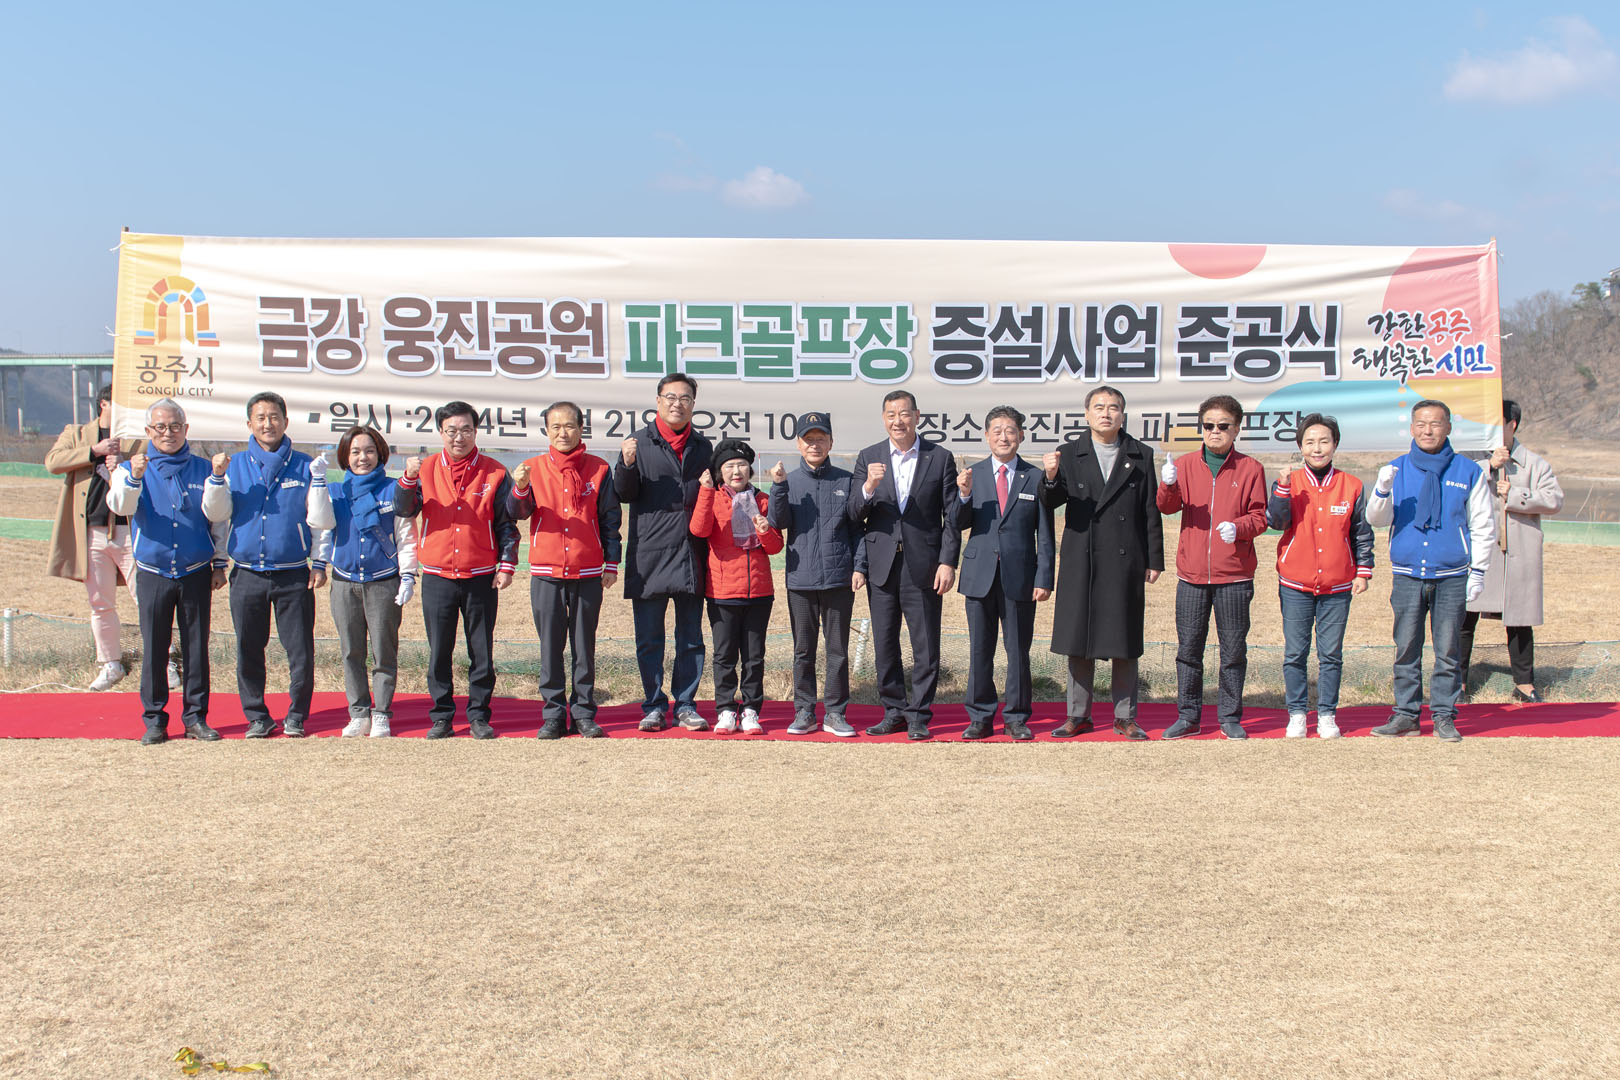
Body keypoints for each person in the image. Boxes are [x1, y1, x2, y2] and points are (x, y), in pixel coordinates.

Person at [1367, 399, 1495, 742]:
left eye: (1436, 424)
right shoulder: (1396, 469)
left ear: (1448, 427)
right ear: (1411, 428)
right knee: (1406, 647)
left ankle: (1444, 716)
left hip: (1451, 575)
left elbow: (1483, 525)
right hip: (1407, 574)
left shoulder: (1468, 471)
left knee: (1448, 650)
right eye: (1421, 424)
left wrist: (1479, 571)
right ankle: (1406, 715)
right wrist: (1382, 489)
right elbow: (1377, 519)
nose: (1428, 430)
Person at [1041, 385, 1164, 741]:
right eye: (1099, 407)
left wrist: (1154, 558)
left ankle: (1125, 717)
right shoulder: (1068, 453)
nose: (1106, 413)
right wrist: (1050, 477)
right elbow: (1050, 501)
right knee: (1078, 637)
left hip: (1125, 558)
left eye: (1113, 407)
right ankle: (1077, 715)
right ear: (1087, 414)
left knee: (1124, 639)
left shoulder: (1140, 454)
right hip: (1082, 556)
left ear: (1123, 414)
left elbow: (1149, 510)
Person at [202, 392, 327, 739]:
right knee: (248, 649)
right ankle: (257, 716)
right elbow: (217, 516)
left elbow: (319, 520)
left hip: (294, 575)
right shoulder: (234, 466)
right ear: (249, 424)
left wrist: (319, 562)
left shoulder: (305, 466)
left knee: (300, 650)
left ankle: (297, 715)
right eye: (260, 418)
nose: (267, 424)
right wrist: (219, 562)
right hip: (246, 574)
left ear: (286, 422)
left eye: (274, 417)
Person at [105, 399, 228, 744]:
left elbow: (219, 519)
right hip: (153, 571)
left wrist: (220, 563)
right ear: (148, 431)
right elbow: (120, 505)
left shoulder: (205, 469)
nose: (168, 433)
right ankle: (155, 719)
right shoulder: (130, 469)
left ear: (185, 429)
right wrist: (134, 477)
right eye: (160, 427)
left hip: (195, 570)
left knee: (196, 647)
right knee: (155, 648)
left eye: (175, 426)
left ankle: (196, 717)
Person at [395, 401, 519, 739]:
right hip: (437, 575)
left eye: (466, 430)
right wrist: (407, 479)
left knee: (481, 650)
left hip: (481, 576)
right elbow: (403, 509)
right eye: (451, 431)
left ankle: (479, 715)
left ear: (476, 431)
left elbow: (507, 524)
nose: (459, 437)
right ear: (441, 432)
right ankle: (442, 715)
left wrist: (506, 565)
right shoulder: (425, 469)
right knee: (439, 651)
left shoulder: (494, 472)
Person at [506, 401, 622, 739]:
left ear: (581, 428)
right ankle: (553, 714)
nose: (562, 433)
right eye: (555, 427)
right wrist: (520, 487)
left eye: (569, 425)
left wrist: (611, 563)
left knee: (584, 646)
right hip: (546, 571)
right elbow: (517, 512)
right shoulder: (532, 468)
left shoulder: (599, 469)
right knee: (550, 646)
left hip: (587, 571)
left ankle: (584, 712)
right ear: (546, 430)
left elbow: (610, 518)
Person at [1156, 394, 1268, 740]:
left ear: (1236, 429)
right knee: (1189, 650)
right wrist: (1168, 484)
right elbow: (1167, 507)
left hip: (1234, 575)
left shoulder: (1251, 469)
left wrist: (1239, 527)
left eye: (1223, 426)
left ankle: (1230, 716)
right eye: (1208, 425)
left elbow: (1260, 517)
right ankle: (1188, 716)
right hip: (1191, 575)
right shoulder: (1186, 464)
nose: (1215, 431)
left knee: (1233, 650)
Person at [851, 391, 960, 741]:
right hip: (881, 564)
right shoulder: (869, 457)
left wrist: (947, 561)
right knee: (885, 642)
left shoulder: (939, 457)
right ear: (883, 418)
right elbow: (854, 512)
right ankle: (894, 711)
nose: (898, 421)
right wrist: (869, 486)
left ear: (916, 416)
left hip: (924, 564)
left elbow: (952, 517)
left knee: (925, 644)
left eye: (904, 413)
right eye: (891, 414)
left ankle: (919, 714)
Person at [615, 374, 714, 732]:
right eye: (670, 397)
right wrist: (627, 464)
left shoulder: (703, 447)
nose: (677, 404)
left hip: (691, 553)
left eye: (685, 398)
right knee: (649, 639)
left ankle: (686, 704)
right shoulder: (638, 443)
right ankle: (654, 706)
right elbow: (624, 494)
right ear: (657, 401)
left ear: (693, 405)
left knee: (691, 639)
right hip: (650, 554)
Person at [1266, 413, 1374, 739]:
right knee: (1295, 653)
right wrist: (1282, 489)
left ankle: (1327, 714)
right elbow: (1276, 522)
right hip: (1295, 583)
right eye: (1310, 442)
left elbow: (1361, 533)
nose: (1317, 448)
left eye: (1324, 441)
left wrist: (1363, 571)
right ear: (1300, 447)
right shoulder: (1290, 481)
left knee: (1331, 655)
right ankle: (1297, 714)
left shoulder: (1352, 485)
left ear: (1335, 445)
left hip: (1337, 585)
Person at [306, 425, 417, 738]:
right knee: (351, 651)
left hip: (383, 581)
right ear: (345, 456)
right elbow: (321, 524)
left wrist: (408, 575)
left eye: (369, 451)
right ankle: (358, 713)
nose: (362, 457)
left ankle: (381, 713)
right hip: (344, 581)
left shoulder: (393, 489)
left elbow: (405, 534)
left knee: (384, 651)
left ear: (380, 454)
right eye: (355, 452)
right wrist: (317, 482)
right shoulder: (335, 490)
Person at [951, 406, 1053, 741]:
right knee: (980, 650)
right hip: (979, 575)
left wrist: (1044, 578)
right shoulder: (973, 474)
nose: (1003, 437)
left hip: (1020, 577)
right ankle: (980, 717)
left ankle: (1017, 717)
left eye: (1010, 430)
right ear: (986, 436)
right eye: (997, 430)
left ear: (1021, 435)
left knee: (1018, 651)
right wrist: (964, 494)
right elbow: (957, 523)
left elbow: (1045, 533)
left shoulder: (1034, 477)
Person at [766, 411, 864, 737]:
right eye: (808, 439)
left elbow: (857, 530)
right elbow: (778, 522)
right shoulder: (789, 481)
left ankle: (835, 712)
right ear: (799, 444)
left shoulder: (846, 481)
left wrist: (859, 566)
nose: (815, 444)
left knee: (837, 651)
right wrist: (778, 487)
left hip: (839, 579)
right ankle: (805, 711)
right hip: (801, 579)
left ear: (831, 442)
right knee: (803, 651)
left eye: (821, 438)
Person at [1462, 400, 1563, 702]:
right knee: (1464, 617)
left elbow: (1554, 500)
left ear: (1512, 425)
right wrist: (1489, 466)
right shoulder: (1471, 459)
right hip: (1479, 552)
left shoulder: (1534, 463)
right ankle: (1458, 682)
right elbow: (1457, 487)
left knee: (1520, 619)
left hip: (1518, 551)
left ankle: (1524, 683)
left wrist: (1517, 494)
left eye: (1498, 423)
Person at [45, 384, 144, 691]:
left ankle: (164, 659)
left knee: (147, 598)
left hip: (130, 530)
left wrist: (124, 463)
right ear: (104, 403)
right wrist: (94, 452)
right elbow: (53, 462)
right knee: (100, 603)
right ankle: (110, 663)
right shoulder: (76, 433)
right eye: (118, 403)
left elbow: (150, 467)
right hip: (91, 531)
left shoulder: (138, 437)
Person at [690, 439, 784, 734]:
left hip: (759, 591)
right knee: (725, 656)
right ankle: (726, 710)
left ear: (750, 469)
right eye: (729, 466)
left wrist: (765, 531)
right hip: (722, 591)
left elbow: (775, 547)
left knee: (754, 657)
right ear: (720, 471)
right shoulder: (713, 496)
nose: (736, 471)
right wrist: (706, 491)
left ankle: (751, 710)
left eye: (742, 465)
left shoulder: (763, 499)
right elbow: (699, 530)